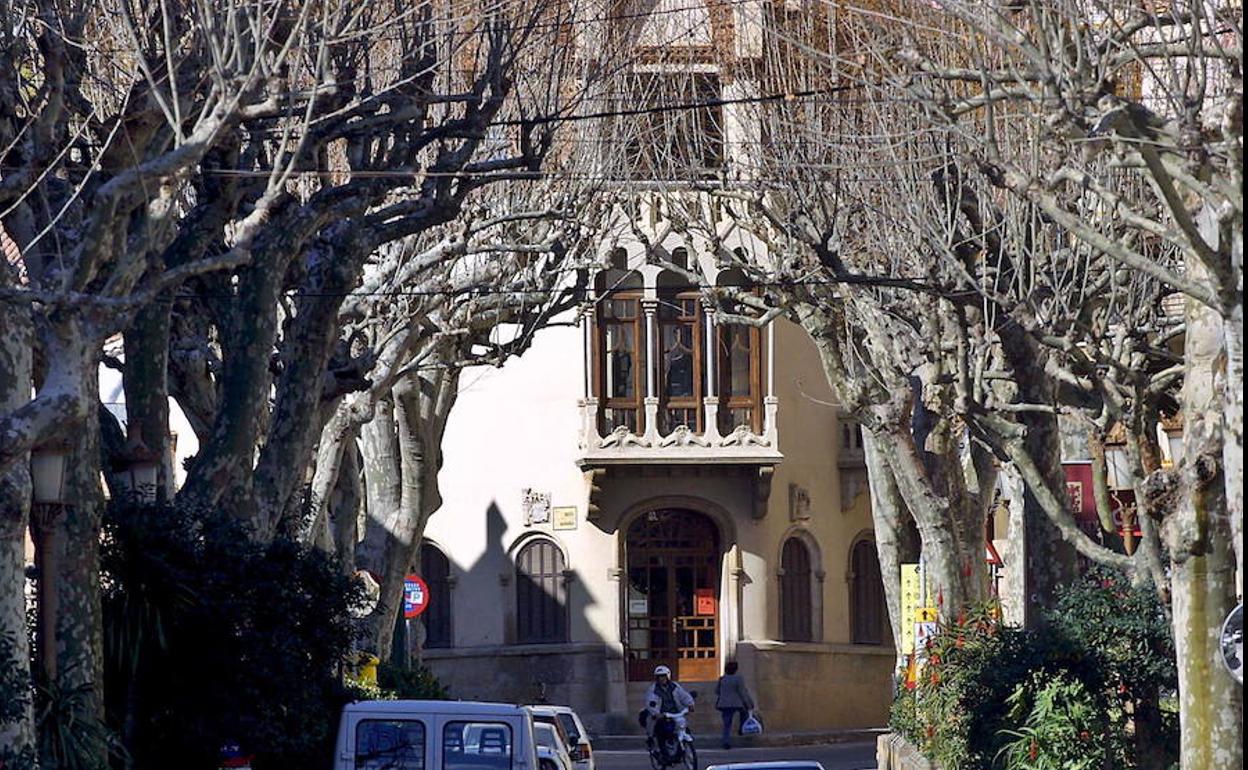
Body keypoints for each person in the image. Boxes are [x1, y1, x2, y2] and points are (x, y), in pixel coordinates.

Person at [643, 665, 695, 750]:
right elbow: (651, 703)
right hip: (663, 715)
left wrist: (690, 704)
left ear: (668, 676)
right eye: (659, 676)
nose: (661, 679)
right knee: (662, 731)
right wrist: (656, 713)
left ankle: (683, 747)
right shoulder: (653, 690)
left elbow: (684, 696)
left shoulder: (675, 687)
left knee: (685, 728)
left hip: (675, 713)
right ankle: (662, 751)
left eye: (663, 676)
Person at [714, 661, 755, 749]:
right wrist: (749, 703)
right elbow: (743, 692)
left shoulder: (722, 679)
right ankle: (741, 729)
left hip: (724, 704)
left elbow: (717, 691)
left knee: (727, 724)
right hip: (736, 703)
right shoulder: (738, 679)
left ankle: (726, 741)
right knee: (744, 714)